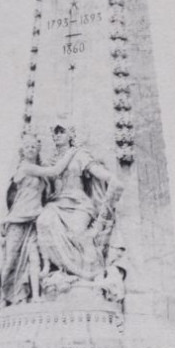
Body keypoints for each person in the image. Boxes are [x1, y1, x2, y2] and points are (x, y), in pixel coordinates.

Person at [36, 121, 123, 284]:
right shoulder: (50, 161)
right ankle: (56, 269)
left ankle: (93, 273)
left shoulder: (80, 154)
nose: (57, 135)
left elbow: (100, 174)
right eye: (55, 132)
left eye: (62, 131)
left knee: (77, 233)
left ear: (71, 135)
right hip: (56, 203)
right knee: (43, 221)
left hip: (79, 204)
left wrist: (112, 180)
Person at [0, 133, 77, 307]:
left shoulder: (39, 171)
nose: (31, 149)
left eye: (34, 146)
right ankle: (3, 298)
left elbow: (54, 178)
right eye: (27, 147)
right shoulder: (25, 167)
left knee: (34, 259)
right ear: (23, 151)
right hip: (18, 219)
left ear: (38, 149)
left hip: (34, 219)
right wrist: (71, 152)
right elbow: (55, 171)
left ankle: (37, 296)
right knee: (10, 260)